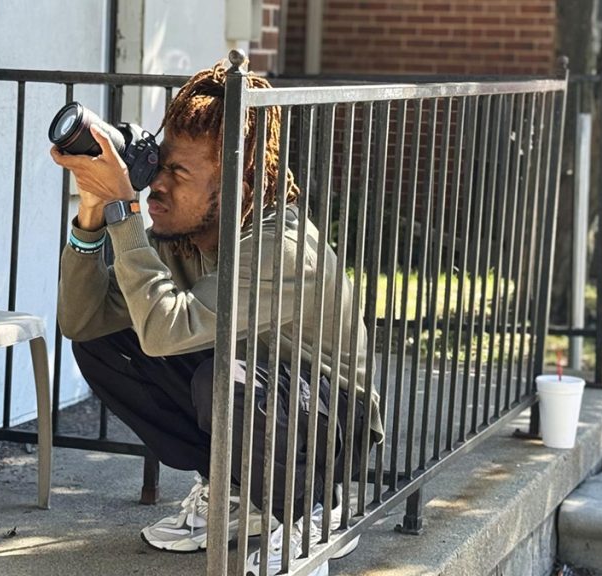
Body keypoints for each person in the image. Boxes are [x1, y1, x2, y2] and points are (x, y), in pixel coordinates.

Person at [49, 58, 384, 575]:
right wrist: (94, 210)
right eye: (158, 165)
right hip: (258, 391)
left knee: (220, 378)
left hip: (332, 421)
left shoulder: (283, 248)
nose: (156, 184)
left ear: (238, 184)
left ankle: (317, 512)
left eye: (177, 172)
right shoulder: (182, 237)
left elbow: (166, 331)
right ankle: (235, 490)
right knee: (106, 342)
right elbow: (82, 320)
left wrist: (126, 214)